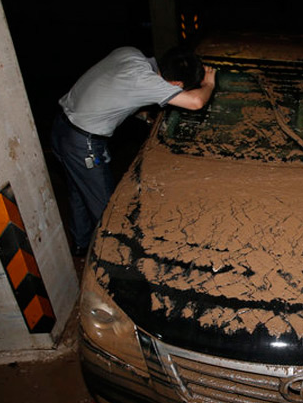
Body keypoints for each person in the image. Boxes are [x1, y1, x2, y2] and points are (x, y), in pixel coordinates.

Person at [51, 45, 217, 256]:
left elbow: (113, 88)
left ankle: (82, 244)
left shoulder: (130, 53)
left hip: (62, 127)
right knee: (107, 210)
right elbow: (196, 102)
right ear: (177, 84)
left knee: (79, 190)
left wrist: (141, 112)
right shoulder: (145, 81)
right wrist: (209, 84)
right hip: (84, 143)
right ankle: (113, 260)